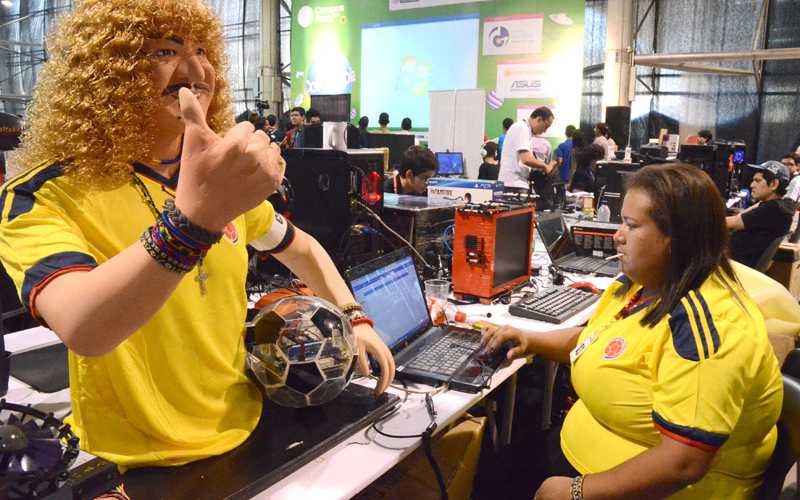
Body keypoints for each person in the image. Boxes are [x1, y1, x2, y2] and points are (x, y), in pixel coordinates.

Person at [0, 0, 394, 475]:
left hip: (248, 428)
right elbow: (84, 327)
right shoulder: (47, 193)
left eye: (204, 50)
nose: (196, 70)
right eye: (165, 50)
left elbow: (302, 248)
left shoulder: (219, 182)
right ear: (107, 74)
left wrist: (356, 319)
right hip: (134, 460)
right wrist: (195, 221)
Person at [483, 164, 782, 499]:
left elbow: (684, 463)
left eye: (631, 225)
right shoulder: (641, 285)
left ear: (677, 237)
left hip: (652, 489)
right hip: (583, 449)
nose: (617, 235)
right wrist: (530, 338)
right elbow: (594, 339)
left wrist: (577, 492)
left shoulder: (710, 328)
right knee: (491, 466)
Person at [727, 160, 794, 268]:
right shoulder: (778, 207)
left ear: (773, 184)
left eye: (757, 181)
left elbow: (731, 222)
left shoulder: (771, 209)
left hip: (735, 268)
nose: (751, 185)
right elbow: (740, 216)